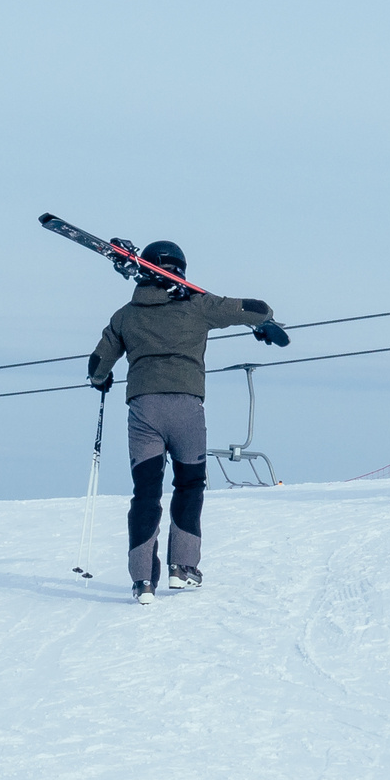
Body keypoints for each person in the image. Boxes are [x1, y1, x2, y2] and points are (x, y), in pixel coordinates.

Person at [83, 241, 288, 603]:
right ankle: (183, 569)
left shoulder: (125, 315)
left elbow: (97, 364)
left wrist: (102, 380)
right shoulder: (199, 307)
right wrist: (264, 323)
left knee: (145, 492)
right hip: (187, 410)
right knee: (189, 485)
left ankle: (142, 580)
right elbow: (257, 308)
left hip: (143, 411)